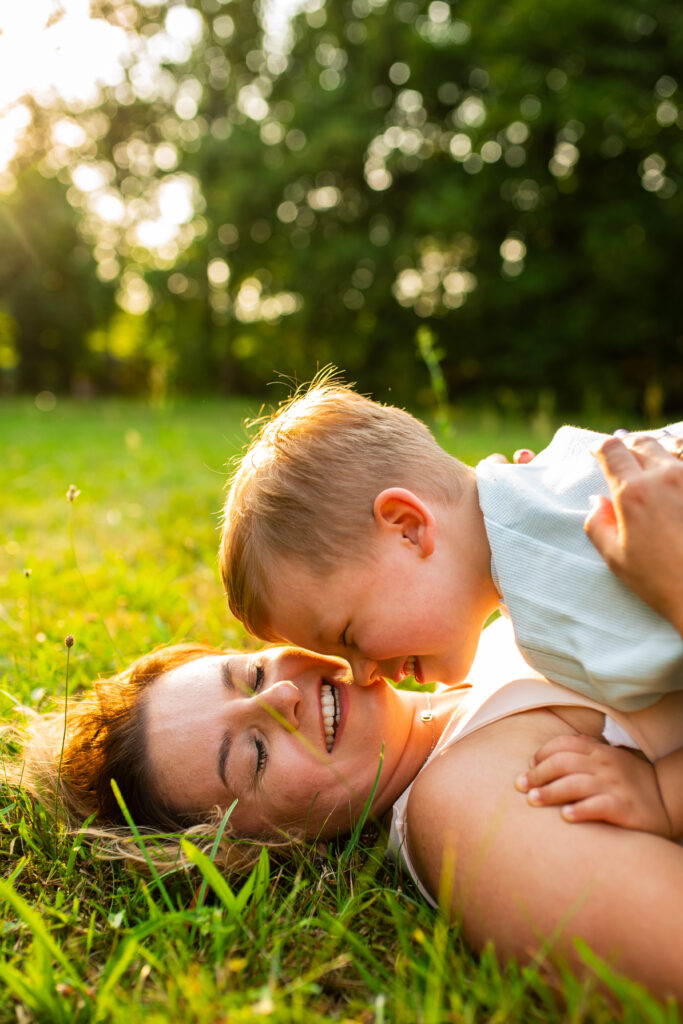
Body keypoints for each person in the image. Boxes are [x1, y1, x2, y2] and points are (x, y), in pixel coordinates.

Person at [9, 621, 683, 1004]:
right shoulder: (466, 811)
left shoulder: (469, 640)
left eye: (248, 675)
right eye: (255, 755)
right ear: (261, 846)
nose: (281, 700)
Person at [219, 377, 683, 835]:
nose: (363, 675)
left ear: (409, 527)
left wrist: (663, 792)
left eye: (349, 638)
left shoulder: (564, 594)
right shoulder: (544, 489)